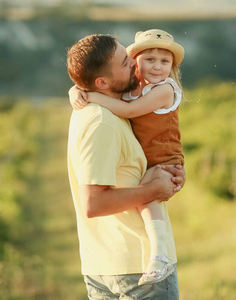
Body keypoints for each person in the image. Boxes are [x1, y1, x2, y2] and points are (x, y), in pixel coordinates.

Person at [66, 33, 184, 300]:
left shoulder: (108, 110)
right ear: (102, 82)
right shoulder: (102, 121)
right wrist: (154, 188)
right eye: (124, 61)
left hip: (105, 264)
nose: (133, 63)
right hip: (137, 267)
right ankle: (159, 254)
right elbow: (93, 203)